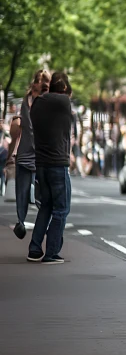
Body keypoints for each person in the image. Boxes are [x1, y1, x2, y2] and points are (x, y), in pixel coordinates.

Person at [28, 71, 72, 264]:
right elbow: (65, 97)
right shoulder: (63, 102)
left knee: (45, 206)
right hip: (57, 163)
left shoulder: (36, 104)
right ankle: (51, 252)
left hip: (41, 164)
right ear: (64, 89)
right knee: (61, 209)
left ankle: (35, 248)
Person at [7, 69, 50, 240]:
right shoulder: (27, 102)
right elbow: (26, 129)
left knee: (40, 195)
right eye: (34, 89)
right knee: (23, 192)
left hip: (40, 155)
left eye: (40, 89)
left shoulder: (44, 102)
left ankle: (41, 224)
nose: (36, 93)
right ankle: (21, 222)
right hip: (28, 154)